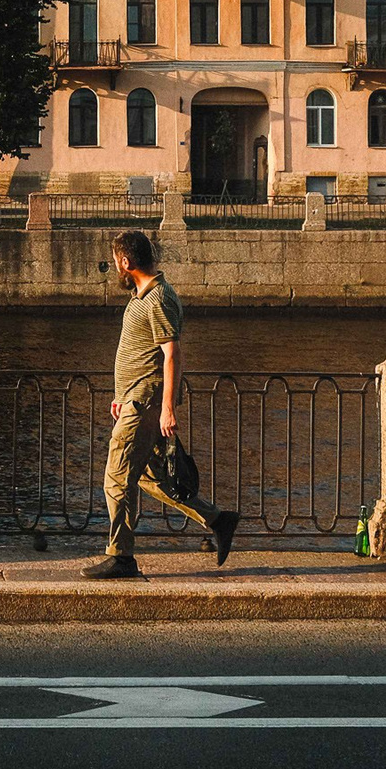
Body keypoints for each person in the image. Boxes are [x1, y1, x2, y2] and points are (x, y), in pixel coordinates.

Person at [82, 228, 239, 579]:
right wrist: (121, 397)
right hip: (134, 400)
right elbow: (142, 352)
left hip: (146, 402)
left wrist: (167, 407)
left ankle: (120, 556)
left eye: (117, 262)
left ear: (126, 261)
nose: (116, 269)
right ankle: (217, 519)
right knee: (153, 480)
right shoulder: (144, 295)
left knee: (116, 479)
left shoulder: (157, 299)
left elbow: (172, 355)